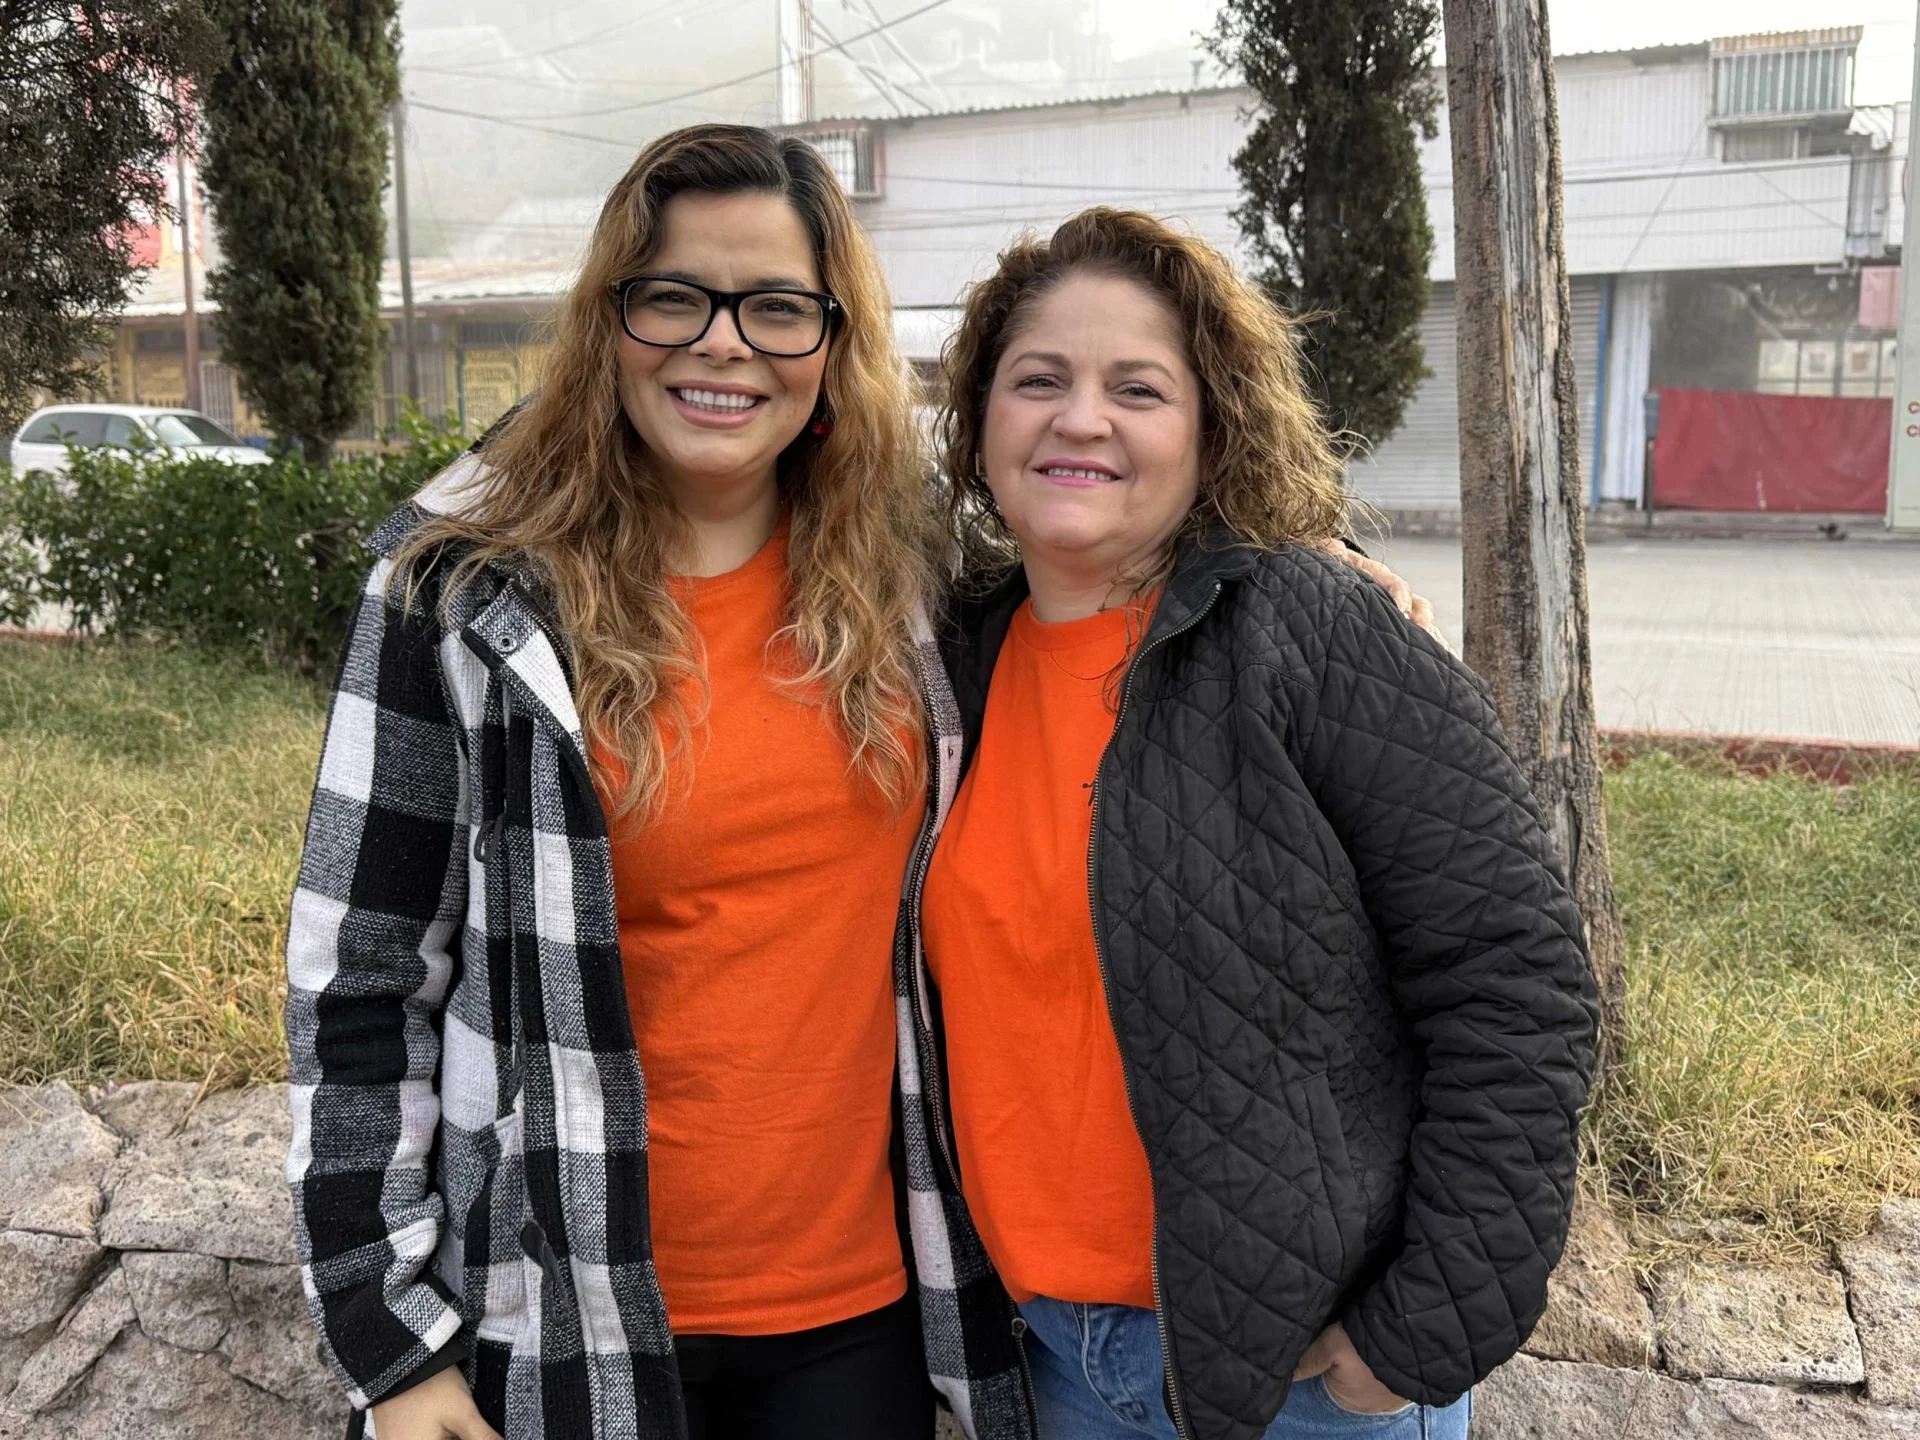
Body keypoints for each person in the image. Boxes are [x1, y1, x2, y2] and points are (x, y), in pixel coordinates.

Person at [913, 208, 1600, 1440]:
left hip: (1305, 1383)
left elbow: (1515, 981)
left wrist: (1419, 1335)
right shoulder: (948, 662)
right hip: (1050, 1358)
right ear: (978, 424)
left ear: (1211, 425)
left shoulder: (1316, 637)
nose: (1082, 419)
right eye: (1038, 381)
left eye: (1139, 387)